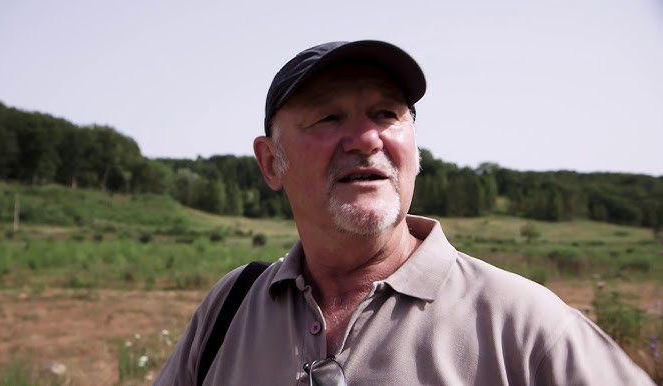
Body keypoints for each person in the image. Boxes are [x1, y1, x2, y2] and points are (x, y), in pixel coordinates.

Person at [154, 40, 654, 385]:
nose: (367, 139)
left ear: (413, 148)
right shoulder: (230, 307)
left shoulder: (525, 327)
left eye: (387, 114)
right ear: (271, 162)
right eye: (329, 117)